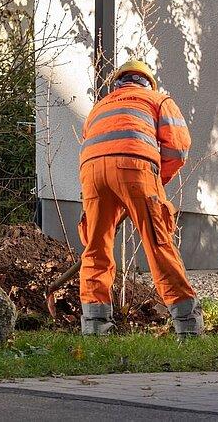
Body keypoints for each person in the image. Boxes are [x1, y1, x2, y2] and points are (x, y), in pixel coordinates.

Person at [78, 59, 202, 336]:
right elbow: (178, 149)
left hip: (92, 174)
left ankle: (94, 329)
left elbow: (93, 147)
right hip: (136, 169)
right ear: (147, 81)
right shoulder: (158, 100)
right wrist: (157, 181)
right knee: (158, 243)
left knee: (96, 248)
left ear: (118, 83)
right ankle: (188, 327)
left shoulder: (100, 106)